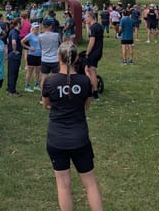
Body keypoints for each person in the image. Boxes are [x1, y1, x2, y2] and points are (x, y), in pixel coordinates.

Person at [42, 42, 103, 211]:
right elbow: (86, 105)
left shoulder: (49, 82)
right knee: (90, 184)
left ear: (58, 58)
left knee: (63, 185)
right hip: (79, 138)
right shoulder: (85, 81)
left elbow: (46, 104)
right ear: (76, 58)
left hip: (56, 139)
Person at [84, 11, 104, 101]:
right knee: (89, 69)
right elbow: (90, 33)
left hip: (93, 52)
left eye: (86, 17)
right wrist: (87, 26)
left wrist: (87, 52)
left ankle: (94, 92)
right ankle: (92, 86)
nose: (85, 19)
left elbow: (91, 41)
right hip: (99, 51)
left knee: (92, 71)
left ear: (90, 17)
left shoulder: (93, 28)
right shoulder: (99, 26)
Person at [39, 17, 61, 93]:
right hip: (55, 59)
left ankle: (42, 96)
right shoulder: (56, 35)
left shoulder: (40, 36)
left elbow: (40, 47)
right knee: (56, 79)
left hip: (44, 59)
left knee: (44, 78)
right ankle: (55, 93)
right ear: (51, 26)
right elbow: (59, 45)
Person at [22, 22, 42, 93]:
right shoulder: (30, 35)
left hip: (39, 55)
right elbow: (22, 42)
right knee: (30, 71)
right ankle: (27, 86)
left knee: (37, 71)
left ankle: (36, 85)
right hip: (31, 55)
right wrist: (29, 47)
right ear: (32, 28)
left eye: (38, 27)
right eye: (35, 27)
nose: (37, 29)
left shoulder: (41, 35)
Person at [6, 17, 23, 97]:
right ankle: (12, 91)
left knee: (11, 73)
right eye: (21, 23)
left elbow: (8, 41)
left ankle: (10, 89)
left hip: (11, 55)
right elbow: (13, 42)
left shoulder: (12, 31)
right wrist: (15, 50)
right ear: (18, 24)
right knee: (13, 74)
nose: (22, 24)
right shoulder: (15, 32)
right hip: (14, 56)